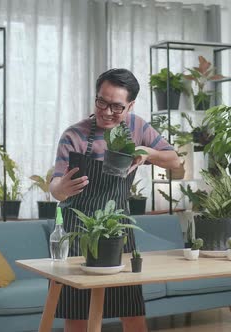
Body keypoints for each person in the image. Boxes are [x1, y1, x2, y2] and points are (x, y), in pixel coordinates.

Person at [49, 68, 180, 332]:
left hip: (118, 230)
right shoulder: (73, 135)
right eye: (101, 102)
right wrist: (61, 186)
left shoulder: (137, 127)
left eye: (117, 107)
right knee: (77, 315)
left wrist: (147, 151)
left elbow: (174, 160)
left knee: (131, 311)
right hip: (77, 232)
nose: (107, 112)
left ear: (130, 105)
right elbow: (55, 188)